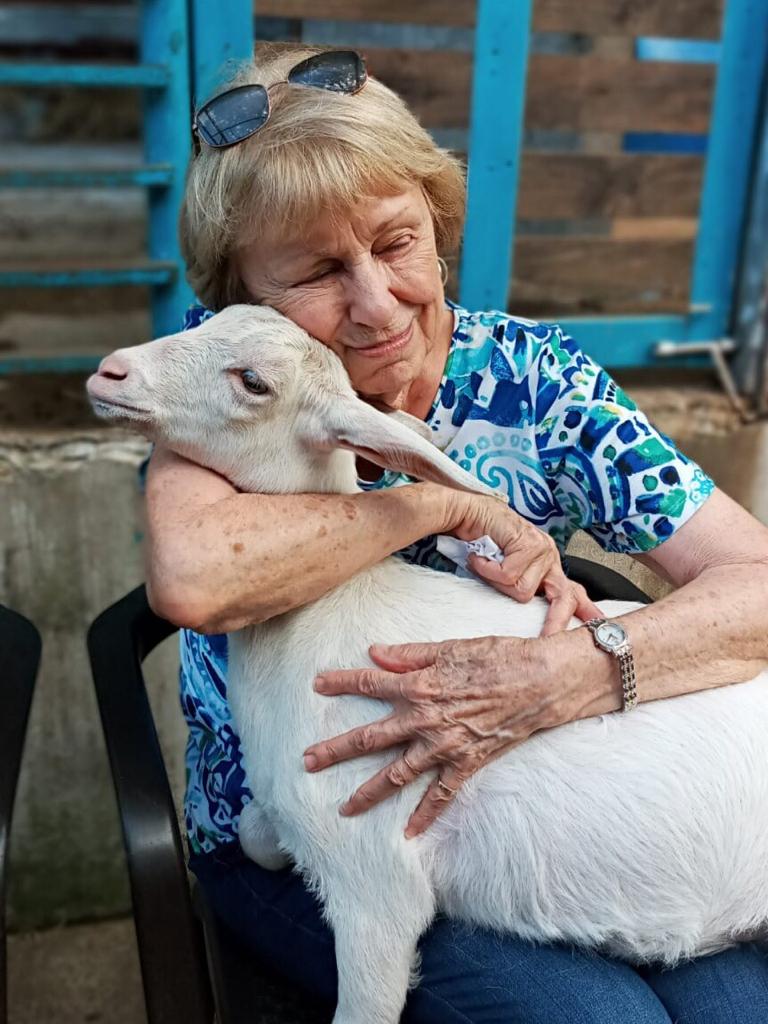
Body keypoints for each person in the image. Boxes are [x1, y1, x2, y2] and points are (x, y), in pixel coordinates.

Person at [146, 46, 768, 1023]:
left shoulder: (537, 381)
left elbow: (757, 587)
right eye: (315, 270)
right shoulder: (232, 384)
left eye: (395, 244)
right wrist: (442, 501)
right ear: (239, 296)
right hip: (319, 840)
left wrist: (578, 671)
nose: (374, 302)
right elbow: (192, 575)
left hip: (538, 813)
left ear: (437, 227)